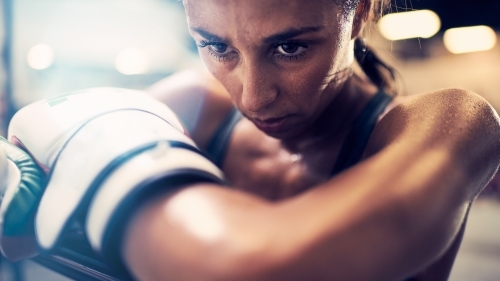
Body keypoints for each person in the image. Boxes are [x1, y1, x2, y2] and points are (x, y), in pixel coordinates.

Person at [1, 0, 499, 280]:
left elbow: (256, 267)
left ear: (362, 11)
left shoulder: (447, 125)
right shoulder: (191, 107)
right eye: (216, 46)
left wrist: (95, 159)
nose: (253, 95)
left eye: (290, 47)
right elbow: (22, 238)